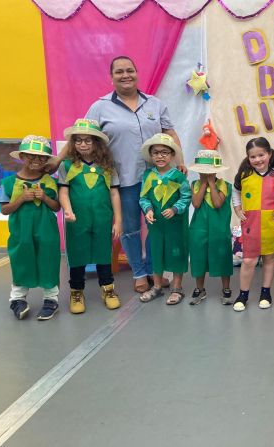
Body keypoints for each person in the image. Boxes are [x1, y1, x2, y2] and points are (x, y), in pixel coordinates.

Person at [48, 56, 184, 293]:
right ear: (111, 77)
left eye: (130, 70)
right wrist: (58, 160)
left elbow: (170, 132)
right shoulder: (99, 107)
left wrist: (181, 162)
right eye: (119, 72)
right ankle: (139, 273)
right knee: (130, 228)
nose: (125, 75)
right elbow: (81, 136)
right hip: (123, 180)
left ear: (137, 73)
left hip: (156, 178)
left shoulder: (155, 104)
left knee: (157, 226)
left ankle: (155, 270)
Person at [58, 119, 123, 314]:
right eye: (78, 141)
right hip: (77, 219)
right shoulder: (67, 166)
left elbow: (114, 193)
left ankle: (108, 290)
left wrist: (118, 221)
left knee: (104, 253)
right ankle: (76, 292)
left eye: (88, 140)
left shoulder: (107, 165)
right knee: (77, 255)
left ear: (97, 142)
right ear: (73, 143)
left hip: (103, 218)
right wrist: (68, 210)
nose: (83, 144)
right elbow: (63, 192)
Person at [0, 136, 61, 320]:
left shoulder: (50, 181)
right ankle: (18, 299)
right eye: (31, 156)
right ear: (23, 156)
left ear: (47, 160)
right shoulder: (8, 183)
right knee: (21, 261)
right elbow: (4, 210)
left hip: (46, 231)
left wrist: (45, 198)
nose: (36, 160)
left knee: (48, 260)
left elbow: (57, 207)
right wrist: (21, 199)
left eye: (42, 157)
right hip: (20, 232)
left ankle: (51, 299)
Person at [232, 137, 274, 312]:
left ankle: (265, 291)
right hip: (251, 224)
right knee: (248, 260)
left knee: (269, 257)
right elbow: (236, 191)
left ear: (269, 154)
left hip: (271, 224)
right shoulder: (244, 176)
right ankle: (243, 294)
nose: (258, 160)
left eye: (261, 155)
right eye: (253, 157)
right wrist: (238, 209)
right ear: (248, 158)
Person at [138, 134, 191, 305]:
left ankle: (177, 288)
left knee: (176, 253)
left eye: (164, 152)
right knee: (156, 252)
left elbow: (186, 196)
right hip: (156, 225)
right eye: (156, 153)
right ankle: (157, 286)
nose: (160, 156)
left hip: (175, 224)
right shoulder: (148, 175)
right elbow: (143, 197)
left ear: (172, 155)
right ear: (151, 155)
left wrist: (175, 209)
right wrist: (148, 210)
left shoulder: (179, 176)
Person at [187, 131, 233, 306]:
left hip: (219, 229)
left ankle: (226, 288)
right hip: (199, 229)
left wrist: (212, 184)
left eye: (208, 172)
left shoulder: (224, 186)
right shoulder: (195, 185)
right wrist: (204, 183)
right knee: (198, 257)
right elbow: (197, 204)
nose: (205, 174)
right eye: (202, 172)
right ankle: (200, 288)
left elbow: (217, 204)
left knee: (222, 256)